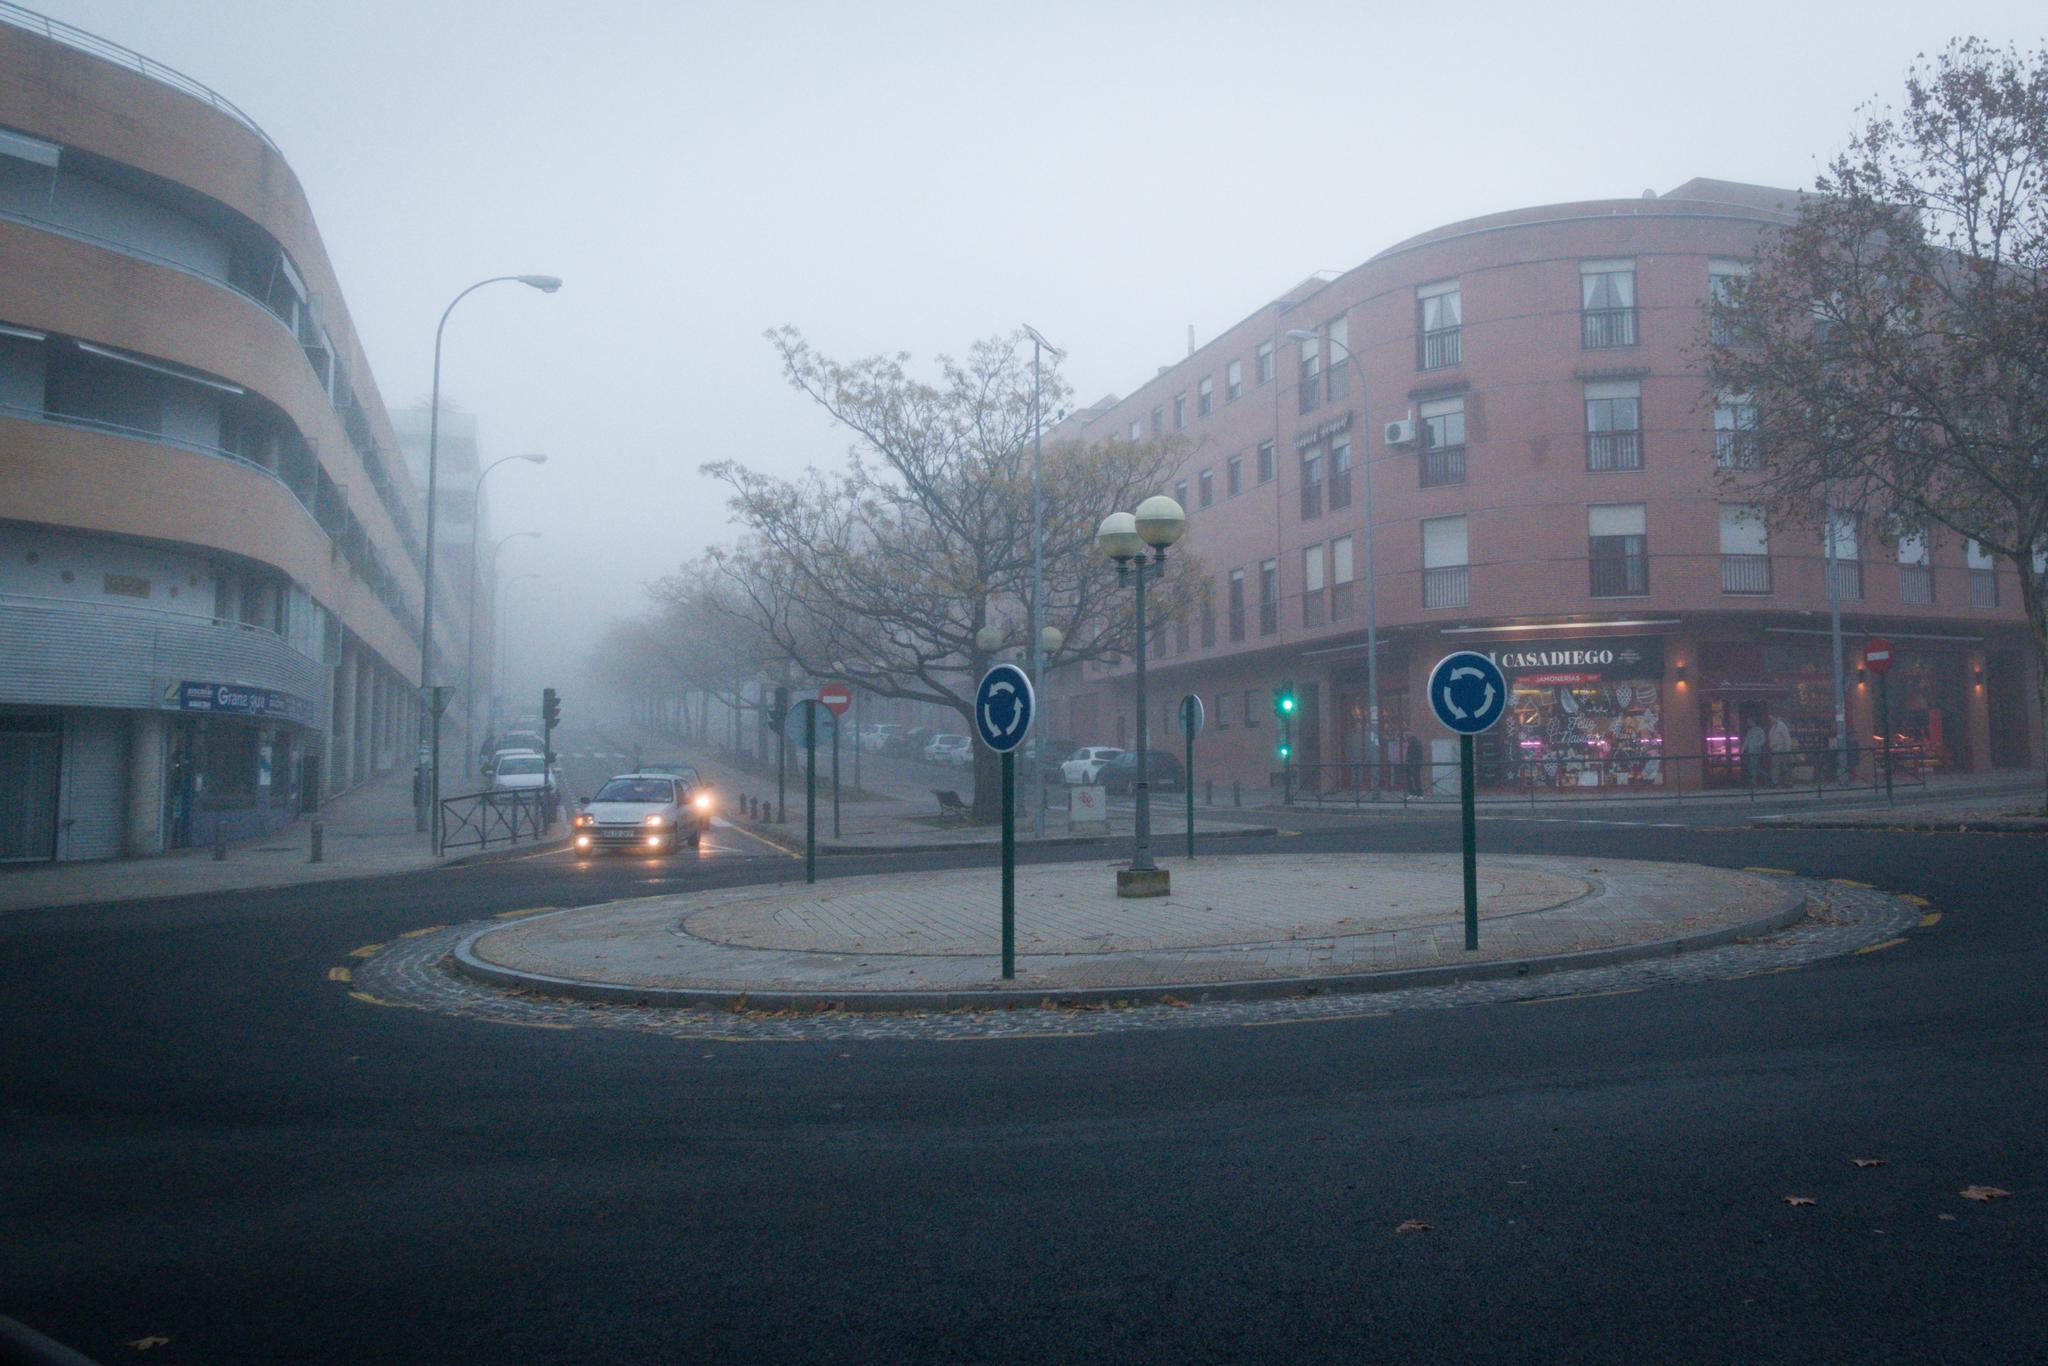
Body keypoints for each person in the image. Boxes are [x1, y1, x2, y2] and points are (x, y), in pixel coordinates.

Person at [1767, 713, 1794, 787]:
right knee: (1775, 766)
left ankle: (1788, 782)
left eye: (1771, 718)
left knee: (1785, 766)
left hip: (1782, 749)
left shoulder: (1782, 726)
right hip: (1775, 749)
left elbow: (1786, 738)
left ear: (1776, 718)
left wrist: (1787, 750)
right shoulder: (1773, 727)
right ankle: (1775, 782)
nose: (1770, 720)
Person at [1742, 716, 1768, 787]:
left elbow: (1763, 739)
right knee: (1753, 767)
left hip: (1756, 751)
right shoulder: (1750, 731)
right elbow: (1746, 741)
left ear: (1753, 721)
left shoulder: (1759, 730)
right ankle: (1759, 779)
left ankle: (1755, 781)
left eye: (1749, 722)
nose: (1748, 723)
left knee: (1753, 767)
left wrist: (1757, 745)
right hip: (1751, 751)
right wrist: (1742, 750)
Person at [1404, 732, 1425, 796]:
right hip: (1417, 763)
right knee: (1417, 778)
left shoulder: (1412, 743)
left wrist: (1408, 761)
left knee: (1409, 778)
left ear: (1408, 737)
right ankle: (1419, 793)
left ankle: (1413, 793)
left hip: (1412, 764)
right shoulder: (1417, 741)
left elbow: (1411, 754)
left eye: (1405, 737)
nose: (1405, 739)